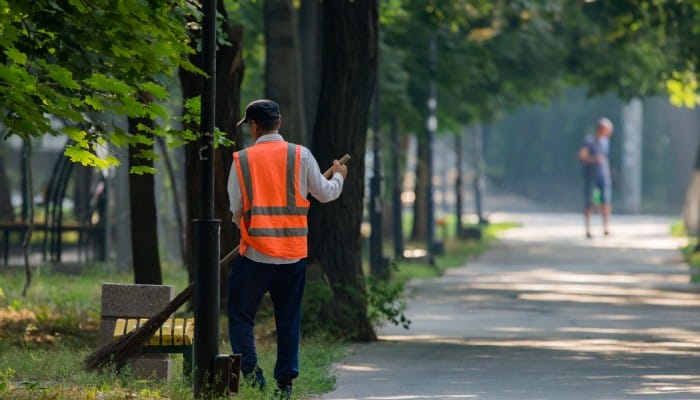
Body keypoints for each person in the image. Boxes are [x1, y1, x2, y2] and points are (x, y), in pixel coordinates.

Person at [226, 99, 347, 399]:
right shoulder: (300, 155)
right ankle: (286, 385)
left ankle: (253, 377)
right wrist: (339, 173)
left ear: (254, 126)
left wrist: (252, 230)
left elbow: (235, 209)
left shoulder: (241, 160)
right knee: (288, 318)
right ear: (279, 123)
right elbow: (326, 193)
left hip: (254, 255)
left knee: (241, 317)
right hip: (293, 256)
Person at [578, 117, 614, 239]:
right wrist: (593, 159)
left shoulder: (605, 142)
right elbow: (582, 156)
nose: (610, 132)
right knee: (589, 202)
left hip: (603, 176)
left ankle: (606, 228)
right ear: (602, 129)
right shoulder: (590, 141)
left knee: (605, 202)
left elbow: (605, 159)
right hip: (591, 176)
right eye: (608, 129)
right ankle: (588, 230)